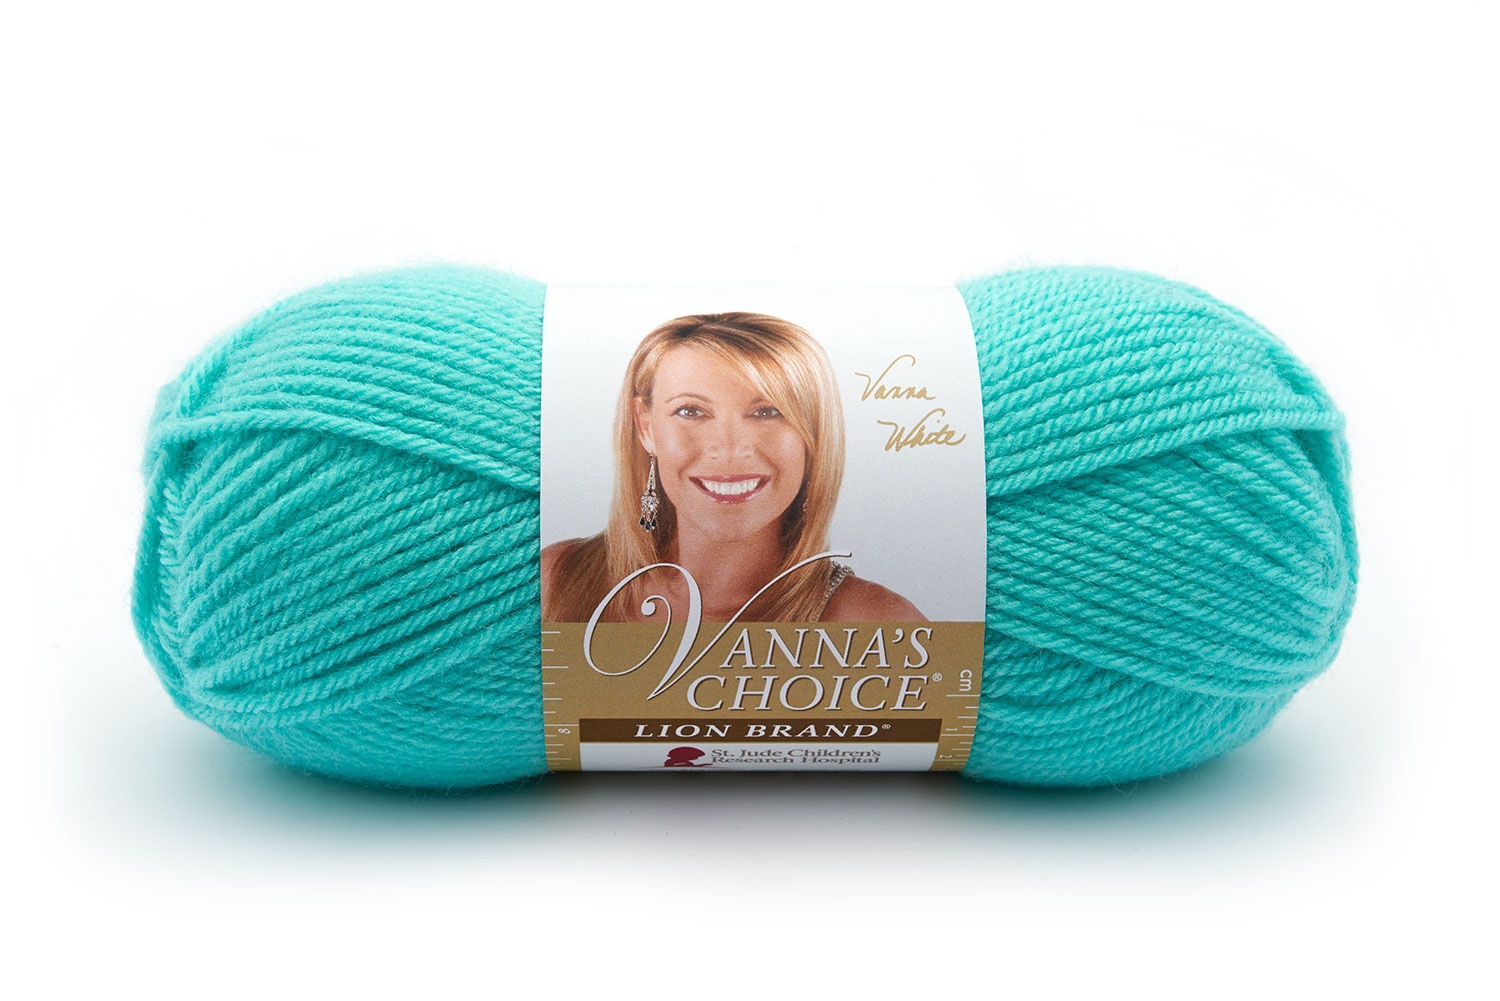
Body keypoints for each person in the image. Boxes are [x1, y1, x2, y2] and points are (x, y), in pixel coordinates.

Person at [541, 312, 923, 623]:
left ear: (814, 434)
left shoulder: (877, 620)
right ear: (646, 426)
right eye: (691, 411)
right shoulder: (557, 579)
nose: (729, 449)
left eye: (767, 411)